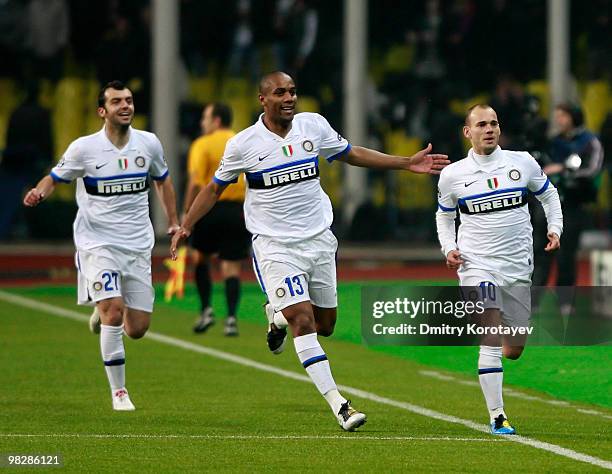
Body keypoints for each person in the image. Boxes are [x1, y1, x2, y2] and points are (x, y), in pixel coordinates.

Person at [172, 71, 449, 431]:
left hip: (319, 240)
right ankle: (340, 405)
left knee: (326, 324)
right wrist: (187, 224)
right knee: (303, 320)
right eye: (279, 92)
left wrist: (405, 163)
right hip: (274, 246)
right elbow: (213, 188)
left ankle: (275, 316)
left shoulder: (313, 126)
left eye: (292, 91)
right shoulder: (244, 144)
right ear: (263, 100)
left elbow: (351, 153)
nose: (288, 98)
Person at [23, 80, 179, 411]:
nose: (126, 106)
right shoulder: (84, 149)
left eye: (129, 100)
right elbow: (54, 177)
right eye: (117, 102)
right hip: (98, 242)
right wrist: (39, 192)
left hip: (137, 244)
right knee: (114, 310)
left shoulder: (148, 144)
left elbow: (163, 181)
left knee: (137, 328)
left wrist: (174, 222)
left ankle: (101, 310)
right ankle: (119, 392)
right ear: (102, 111)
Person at [436, 104, 563, 435]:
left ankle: (492, 364)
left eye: (493, 123)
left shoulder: (521, 163)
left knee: (514, 348)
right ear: (468, 132)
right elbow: (445, 215)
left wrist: (555, 228)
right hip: (476, 264)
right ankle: (497, 416)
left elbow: (549, 196)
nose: (489, 128)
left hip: (518, 265)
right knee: (490, 332)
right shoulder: (453, 175)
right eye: (481, 124)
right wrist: (449, 248)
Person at [532, 104, 604, 315]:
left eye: (563, 115)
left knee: (566, 254)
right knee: (540, 252)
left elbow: (593, 170)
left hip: (573, 204)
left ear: (574, 117)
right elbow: (541, 169)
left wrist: (563, 170)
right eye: (557, 116)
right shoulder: (553, 142)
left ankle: (565, 303)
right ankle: (533, 301)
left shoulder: (589, 141)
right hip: (547, 204)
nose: (559, 120)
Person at [183, 103, 249, 336]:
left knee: (200, 258)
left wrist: (187, 214)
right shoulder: (242, 140)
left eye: (205, 117)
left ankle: (206, 310)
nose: (203, 122)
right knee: (231, 266)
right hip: (237, 210)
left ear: (217, 120)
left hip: (208, 208)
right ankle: (231, 318)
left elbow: (196, 182)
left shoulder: (202, 144)